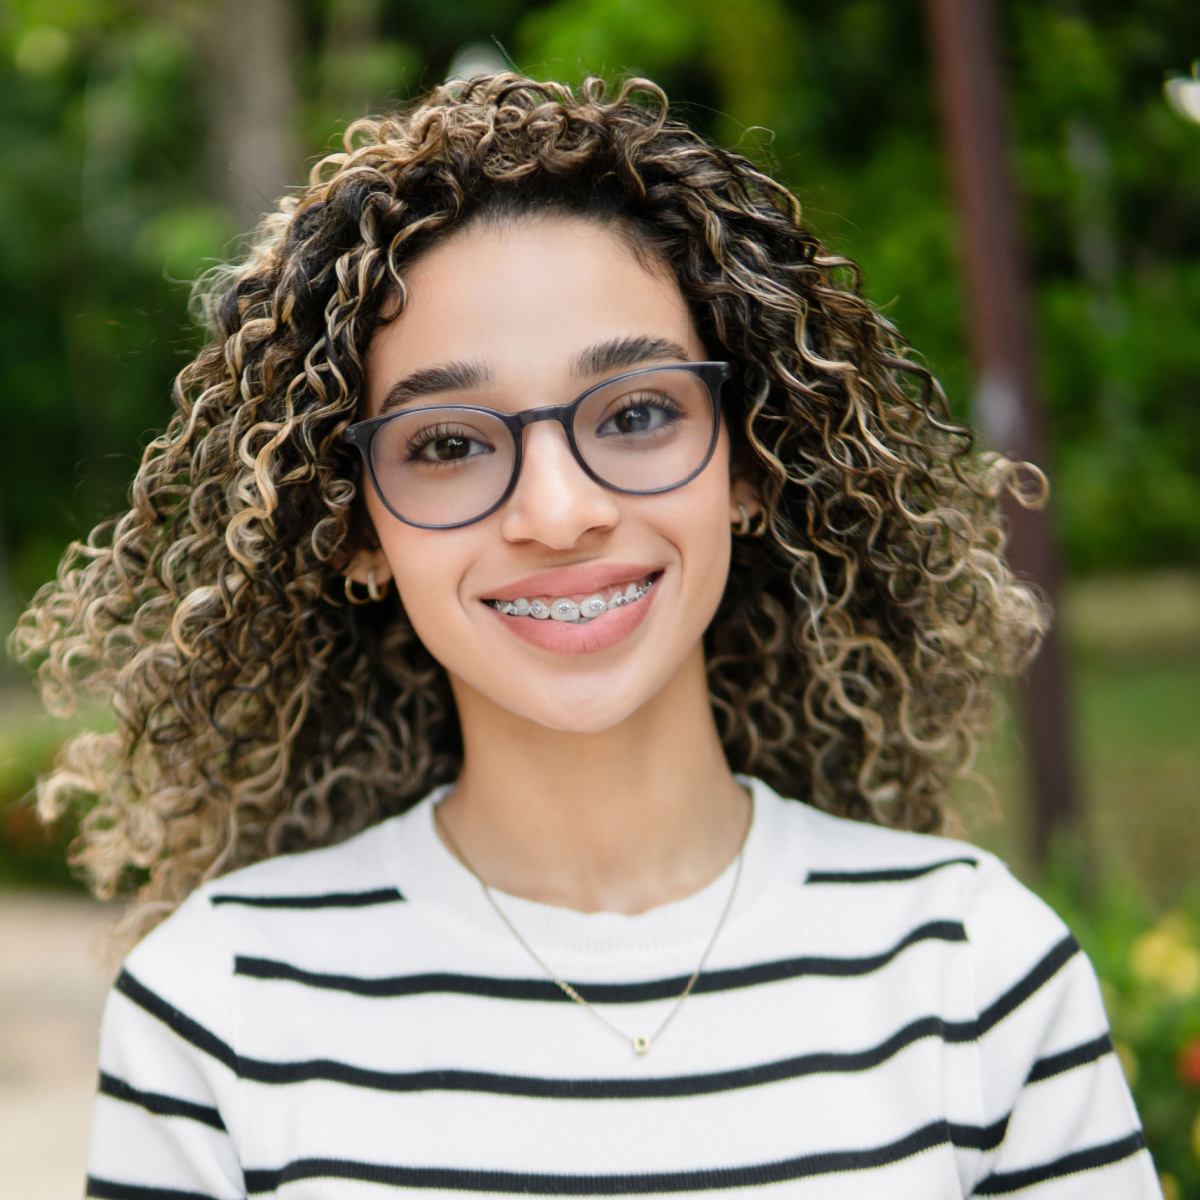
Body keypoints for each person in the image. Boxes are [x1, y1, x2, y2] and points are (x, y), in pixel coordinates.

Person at [14, 75, 1159, 1198]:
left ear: (749, 458)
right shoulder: (216, 1006)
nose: (559, 514)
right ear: (353, 526)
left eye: (641, 413)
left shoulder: (976, 969)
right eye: (450, 443)